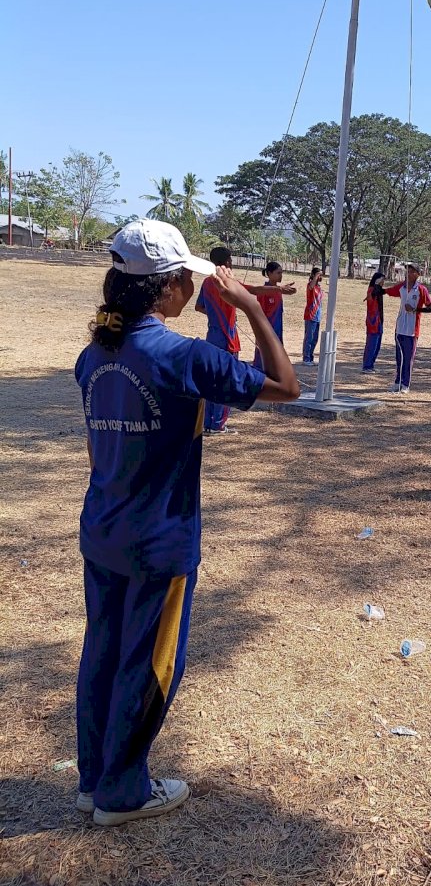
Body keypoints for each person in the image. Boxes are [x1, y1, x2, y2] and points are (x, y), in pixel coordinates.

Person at [74, 219, 299, 828]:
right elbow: (287, 385)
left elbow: (98, 450)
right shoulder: (184, 356)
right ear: (170, 286)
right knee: (149, 662)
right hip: (159, 540)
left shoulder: (94, 353)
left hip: (102, 529)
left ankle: (92, 778)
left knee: (102, 648)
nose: (195, 292)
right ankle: (122, 793)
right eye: (189, 282)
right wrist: (253, 308)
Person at [194, 246, 295, 433]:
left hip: (212, 336)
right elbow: (254, 290)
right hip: (228, 338)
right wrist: (279, 289)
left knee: (212, 379)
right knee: (226, 380)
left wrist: (218, 314)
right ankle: (218, 424)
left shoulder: (207, 282)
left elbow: (199, 307)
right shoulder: (227, 281)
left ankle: (208, 423)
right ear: (228, 262)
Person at [384, 263, 431, 393]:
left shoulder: (421, 289)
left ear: (418, 274)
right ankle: (397, 382)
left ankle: (405, 384)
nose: (408, 273)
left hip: (412, 330)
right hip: (400, 327)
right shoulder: (402, 287)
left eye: (412, 271)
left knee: (408, 358)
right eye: (407, 271)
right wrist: (378, 289)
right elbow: (388, 291)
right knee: (399, 357)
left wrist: (415, 309)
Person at [253, 261, 296, 372]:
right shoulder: (264, 291)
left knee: (276, 355)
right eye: (278, 273)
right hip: (266, 329)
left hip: (277, 329)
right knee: (262, 355)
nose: (280, 275)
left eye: (281, 273)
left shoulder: (278, 290)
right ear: (269, 273)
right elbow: (260, 313)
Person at [362, 271, 386, 373]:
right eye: (382, 280)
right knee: (371, 344)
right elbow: (373, 294)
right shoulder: (373, 290)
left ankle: (371, 365)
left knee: (377, 345)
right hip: (373, 321)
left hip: (379, 321)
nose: (383, 282)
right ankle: (367, 366)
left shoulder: (378, 291)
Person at [302, 267, 324, 366]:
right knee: (309, 338)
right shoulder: (310, 285)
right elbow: (311, 286)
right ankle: (306, 358)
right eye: (319, 275)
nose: (320, 277)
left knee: (315, 338)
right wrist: (315, 276)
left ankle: (310, 357)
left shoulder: (319, 287)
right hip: (310, 315)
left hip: (317, 315)